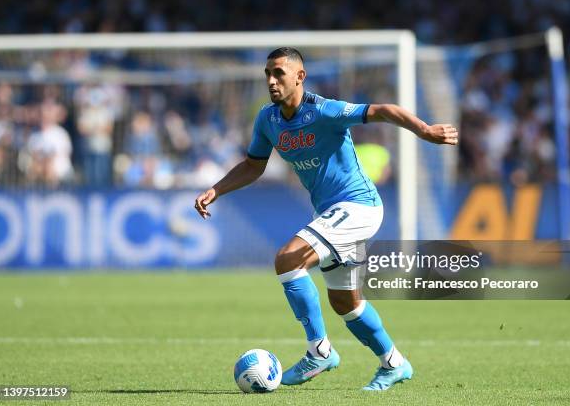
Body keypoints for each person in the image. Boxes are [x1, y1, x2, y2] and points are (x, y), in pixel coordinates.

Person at [194, 47, 458, 391]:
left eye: (279, 73)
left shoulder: (325, 110)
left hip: (358, 206)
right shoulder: (267, 120)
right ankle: (394, 363)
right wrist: (216, 189)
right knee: (346, 304)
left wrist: (424, 130)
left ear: (300, 77)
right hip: (331, 213)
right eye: (267, 74)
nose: (271, 81)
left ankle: (318, 351)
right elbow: (253, 165)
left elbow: (382, 110)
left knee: (288, 258)